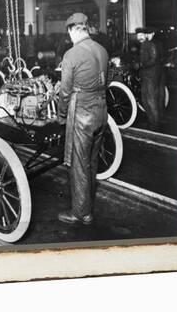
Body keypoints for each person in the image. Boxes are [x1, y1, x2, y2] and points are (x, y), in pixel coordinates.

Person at [57, 13, 108, 225]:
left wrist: (61, 115)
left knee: (79, 164)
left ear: (72, 30)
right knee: (92, 161)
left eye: (69, 32)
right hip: (101, 111)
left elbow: (65, 92)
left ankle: (80, 212)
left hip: (82, 113)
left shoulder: (71, 54)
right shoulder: (102, 50)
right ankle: (87, 207)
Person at [135, 27, 166, 131]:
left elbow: (153, 59)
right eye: (138, 36)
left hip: (149, 75)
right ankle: (157, 120)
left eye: (142, 35)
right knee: (154, 98)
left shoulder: (148, 44)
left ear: (146, 35)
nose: (140, 37)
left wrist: (141, 64)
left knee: (149, 99)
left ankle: (154, 124)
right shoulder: (153, 44)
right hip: (154, 74)